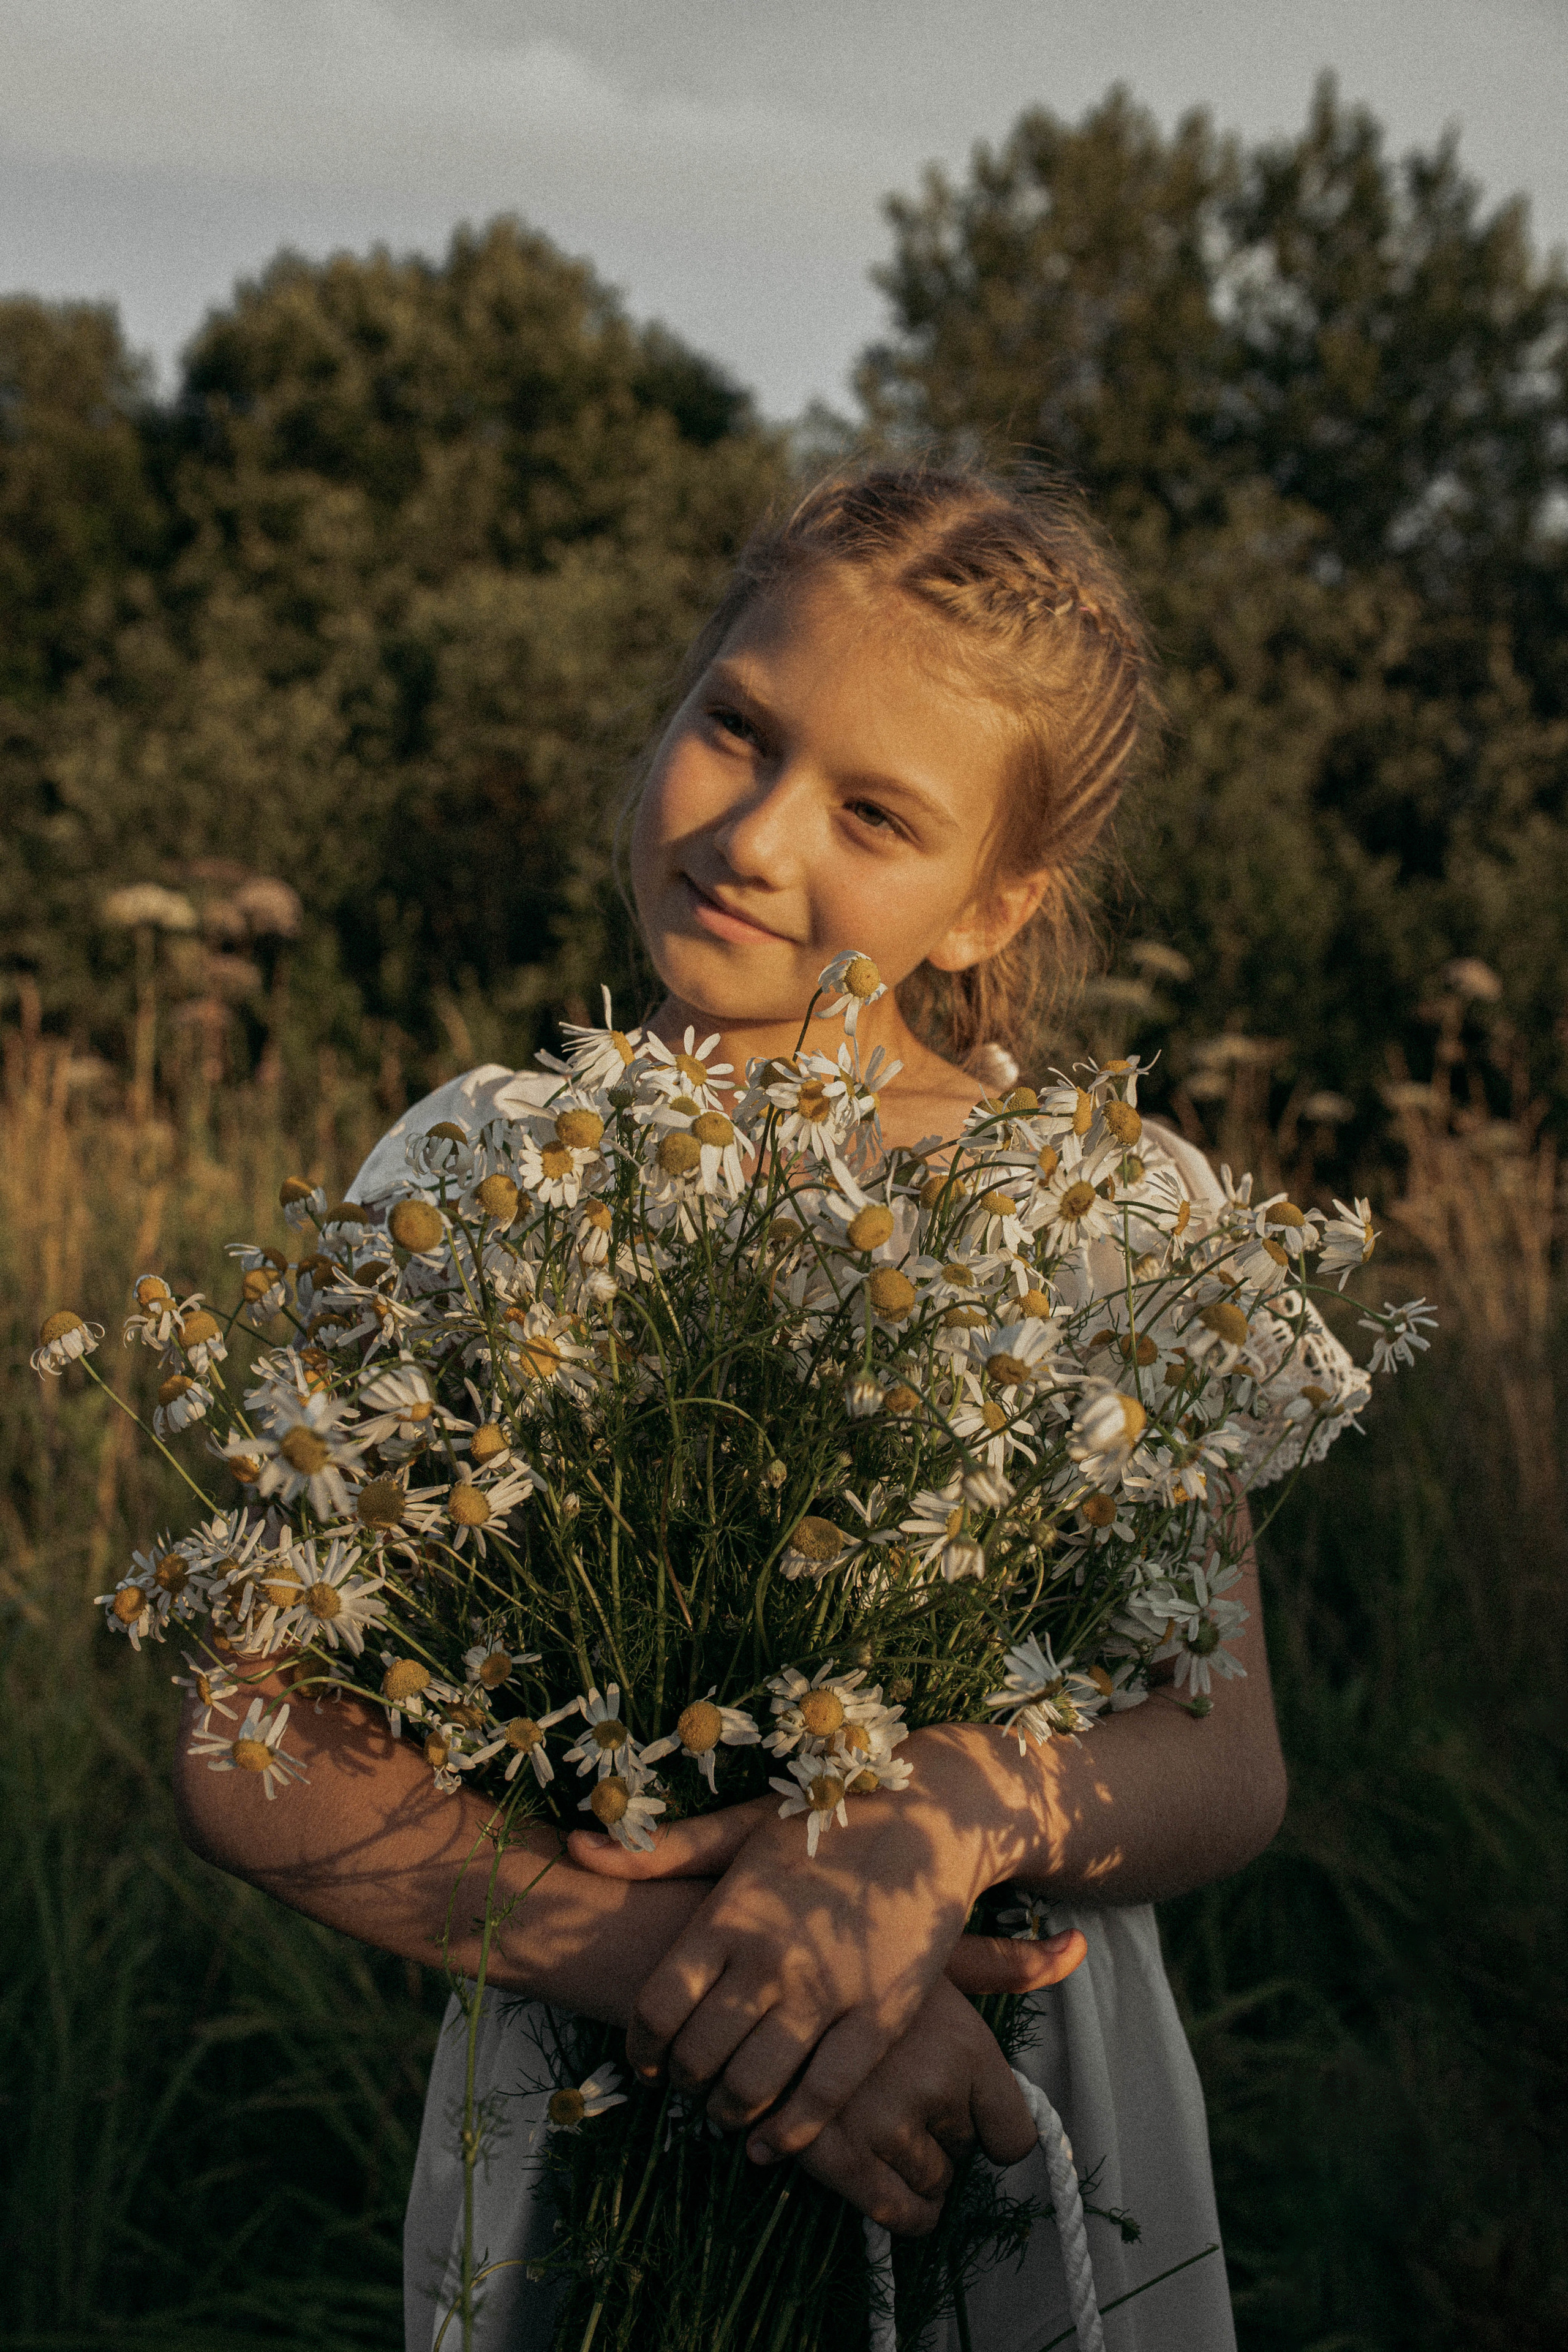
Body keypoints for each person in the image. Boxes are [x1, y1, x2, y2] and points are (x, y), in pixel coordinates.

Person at [177, 466, 1319, 2351]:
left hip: (1013, 2119)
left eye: (877, 813)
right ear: (678, 694)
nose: (760, 836)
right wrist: (694, 1976)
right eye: (737, 727)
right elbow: (249, 1751)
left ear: (994, 902)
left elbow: (1225, 1761)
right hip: (598, 2104)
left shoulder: (1108, 1211)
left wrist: (935, 1820)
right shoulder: (474, 1171)